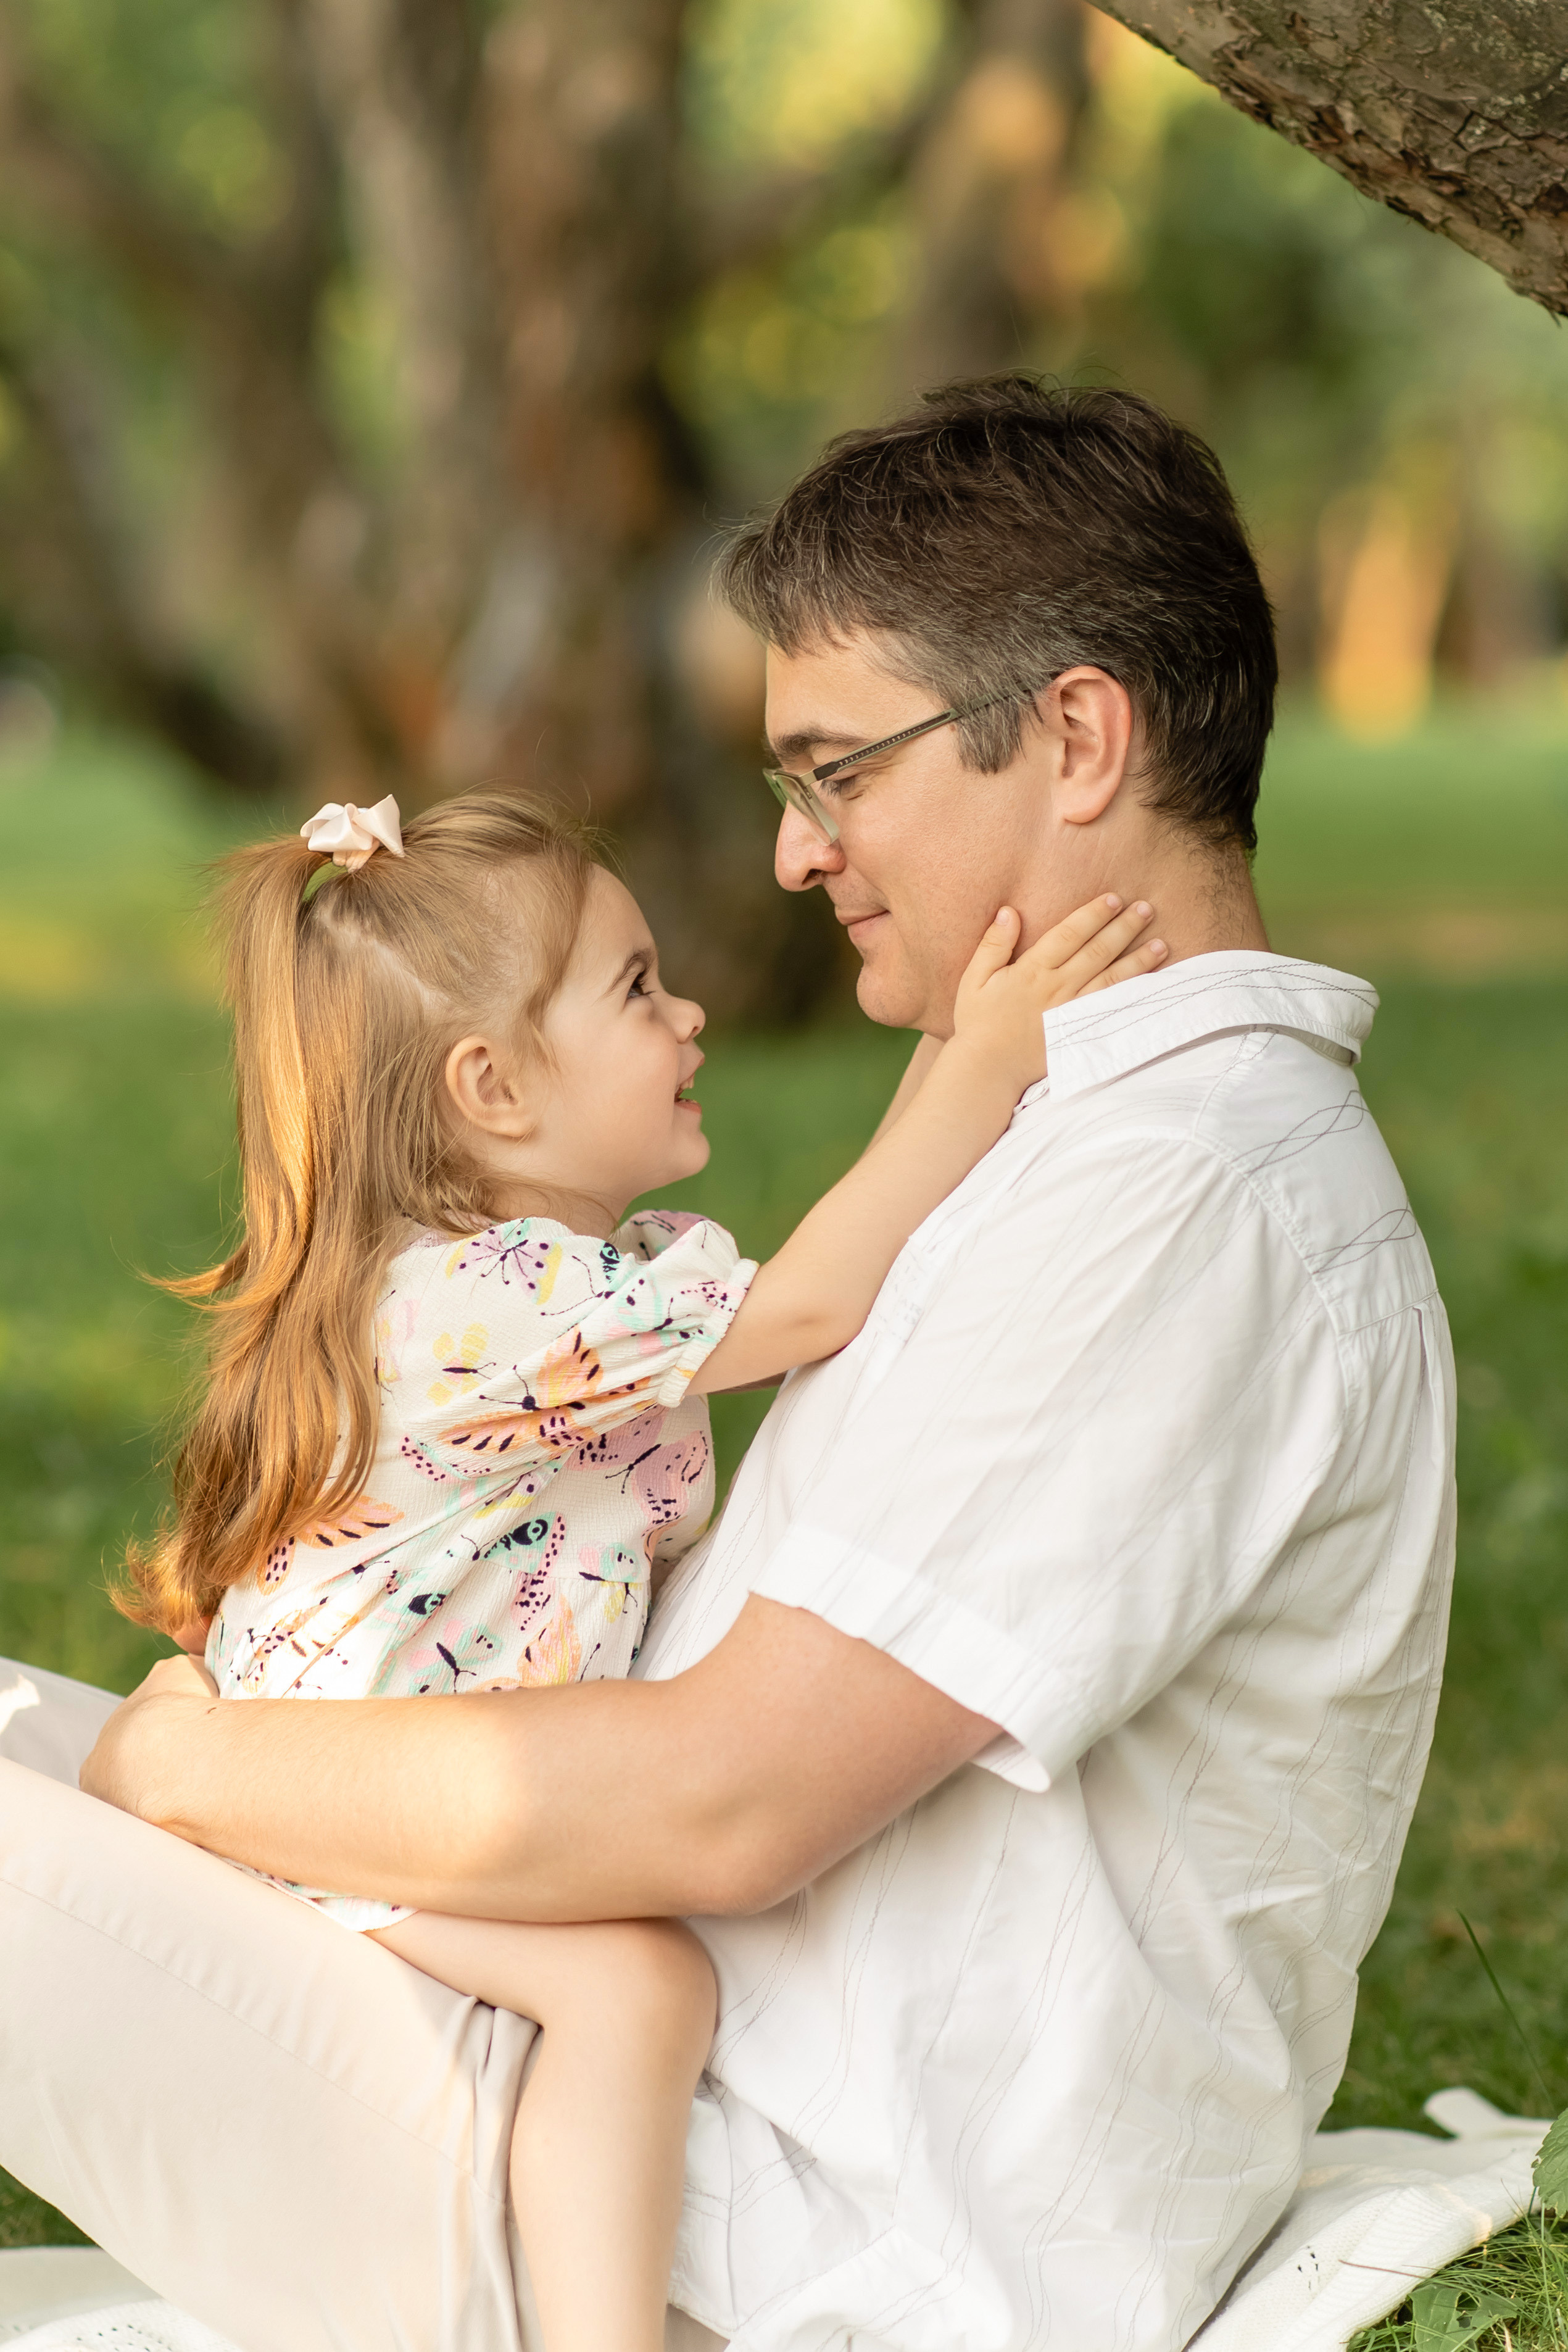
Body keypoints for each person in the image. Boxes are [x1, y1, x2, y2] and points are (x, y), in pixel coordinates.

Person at [0, 377, 1456, 2352]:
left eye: (833, 770)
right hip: (628, 2102)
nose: (788, 858)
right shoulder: (1088, 1143)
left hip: (767, 2244)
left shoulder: (1181, 1201)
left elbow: (729, 1802)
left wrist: (193, 1766)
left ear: (1080, 736)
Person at [109, 781, 1159, 2352]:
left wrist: (961, 1013)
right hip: (326, 1813)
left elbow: (835, 1253)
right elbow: (813, 1300)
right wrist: (989, 1055)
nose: (693, 1012)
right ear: (494, 1089)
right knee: (637, 1994)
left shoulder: (542, 1295)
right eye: (636, 988)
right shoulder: (503, 1300)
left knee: (629, 1993)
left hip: (390, 1774)